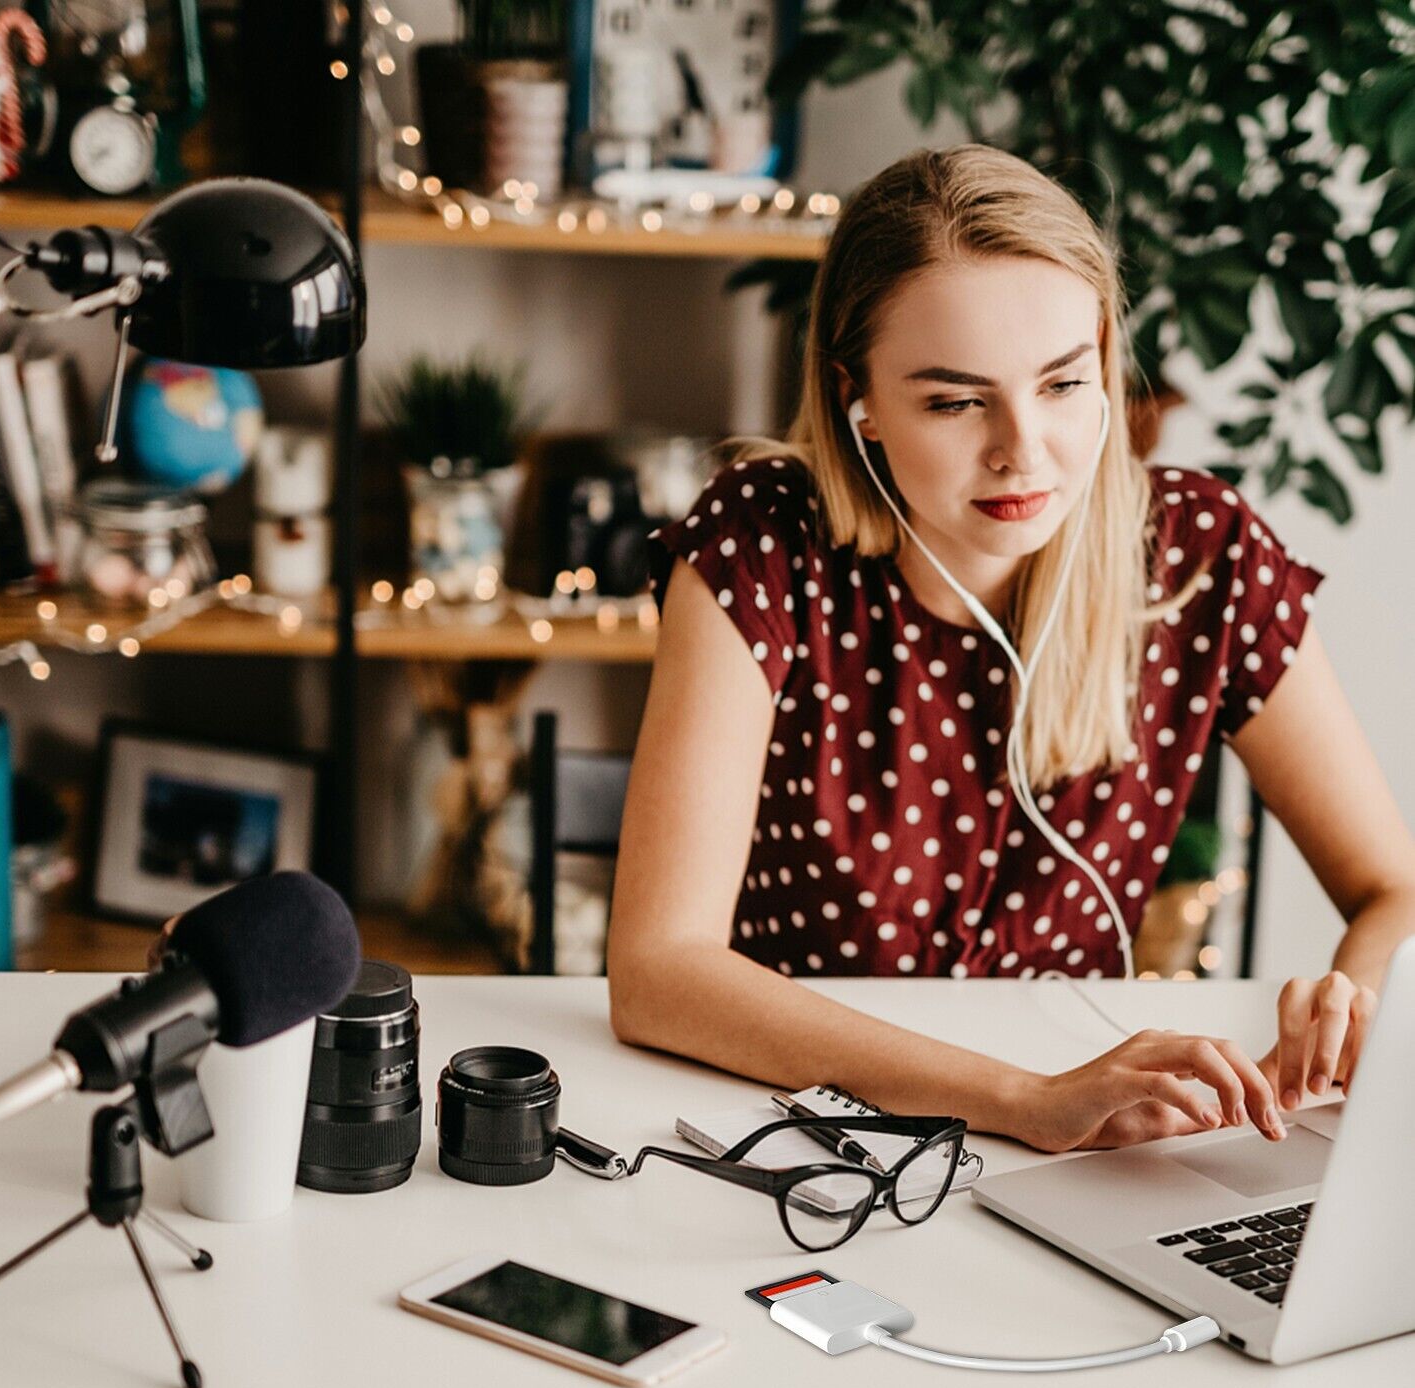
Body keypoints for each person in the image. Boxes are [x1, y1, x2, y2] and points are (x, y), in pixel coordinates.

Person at [606, 144, 1415, 1153]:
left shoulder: (1203, 555)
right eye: (954, 400)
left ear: (1108, 362)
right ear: (856, 398)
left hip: (1089, 1145)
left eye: (1065, 384)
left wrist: (1359, 998)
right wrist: (1025, 1101)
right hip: (807, 1142)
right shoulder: (765, 542)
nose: (1023, 449)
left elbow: (1396, 889)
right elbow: (657, 975)